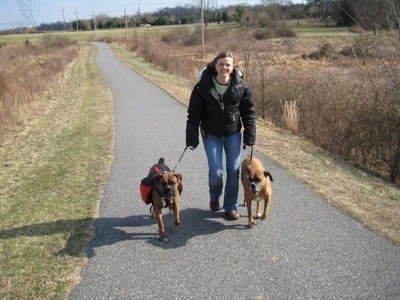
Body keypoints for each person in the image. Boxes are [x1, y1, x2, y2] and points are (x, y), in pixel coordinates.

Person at [186, 51, 256, 220]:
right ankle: (214, 196)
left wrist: (249, 134)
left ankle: (231, 206)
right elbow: (194, 114)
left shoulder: (241, 87)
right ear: (215, 66)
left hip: (233, 134)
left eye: (228, 65)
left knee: (233, 171)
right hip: (211, 135)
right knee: (216, 172)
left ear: (233, 68)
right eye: (221, 64)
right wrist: (191, 136)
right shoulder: (202, 87)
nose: (224, 67)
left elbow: (249, 112)